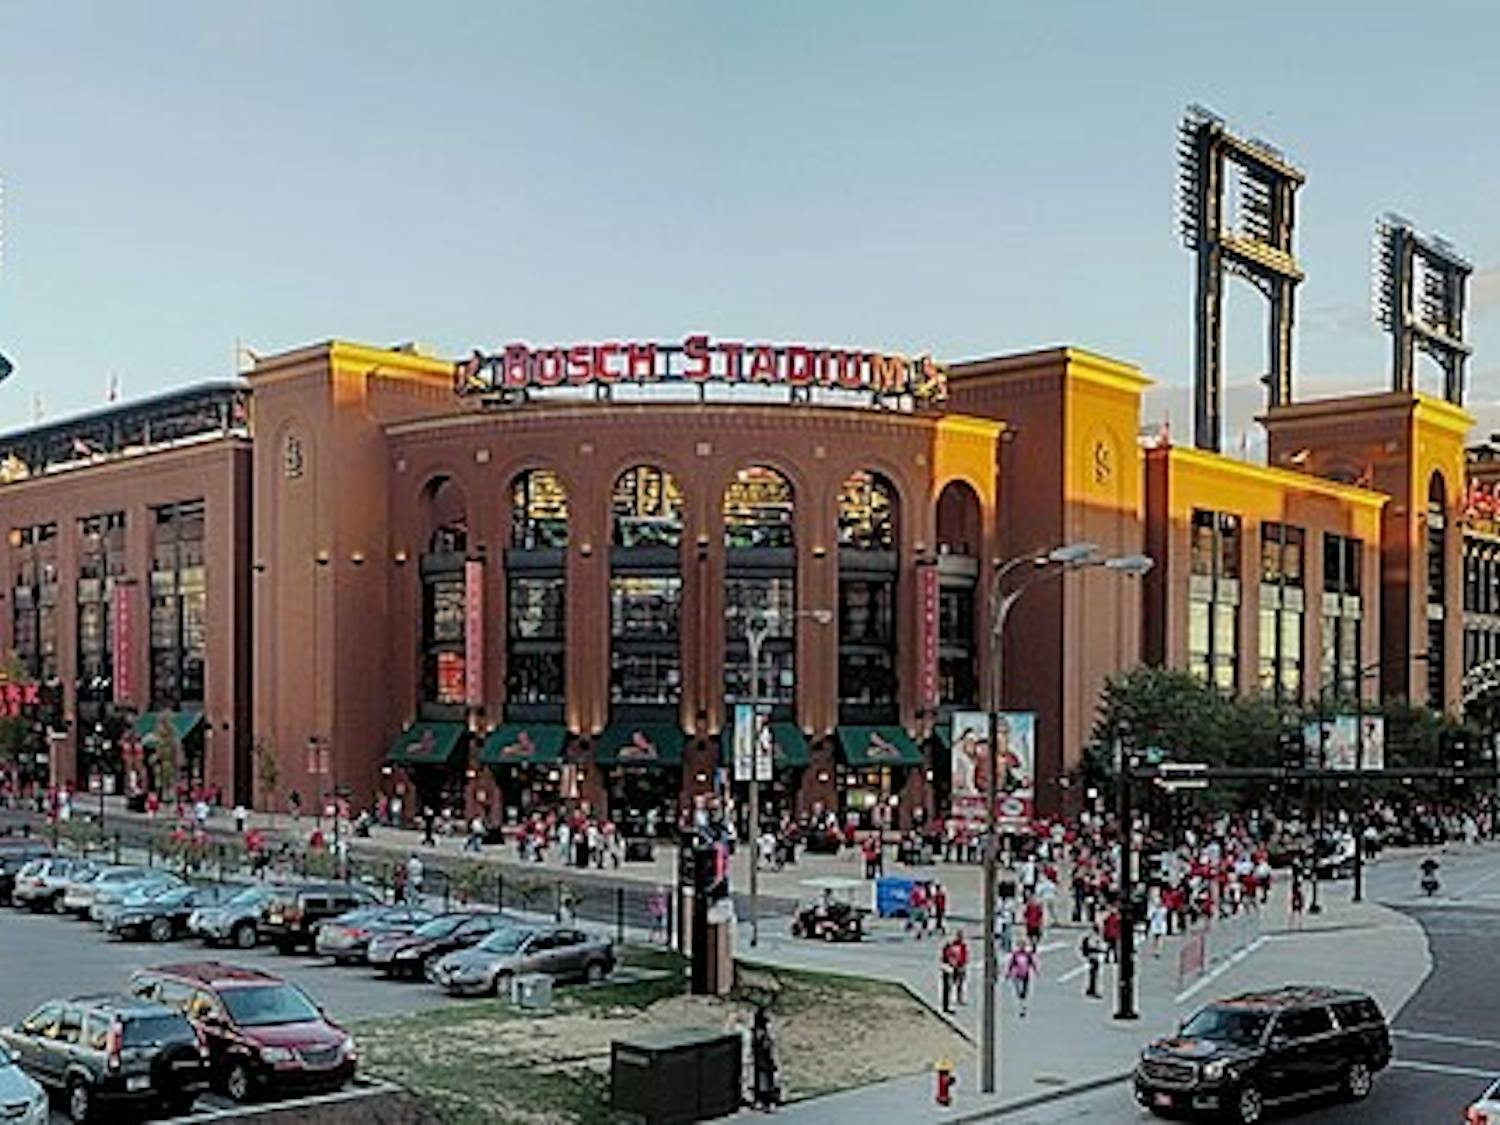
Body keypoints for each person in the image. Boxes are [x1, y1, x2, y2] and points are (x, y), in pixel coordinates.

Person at [750, 1007, 780, 1111]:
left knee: (767, 1079)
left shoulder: (765, 1033)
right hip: (760, 1061)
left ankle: (768, 1100)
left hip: (765, 1061)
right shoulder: (757, 1033)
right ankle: (763, 1099)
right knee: (762, 1079)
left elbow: (770, 1047)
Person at [1006, 943, 1038, 1017]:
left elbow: (1032, 963)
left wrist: (1035, 971)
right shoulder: (1015, 955)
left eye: (1023, 946)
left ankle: (1023, 1006)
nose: (1022, 948)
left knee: (1024, 992)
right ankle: (1021, 1004)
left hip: (1025, 975)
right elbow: (1011, 964)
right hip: (1017, 975)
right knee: (1018, 991)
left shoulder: (1027, 955)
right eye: (1020, 946)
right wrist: (1008, 973)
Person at [1080, 925, 1104, 999]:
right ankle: (1092, 990)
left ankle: (1091, 989)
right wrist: (1100, 950)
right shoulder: (1094, 937)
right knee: (1093, 975)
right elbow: (1093, 947)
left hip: (1093, 957)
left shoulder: (1093, 936)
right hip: (1093, 957)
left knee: (1093, 975)